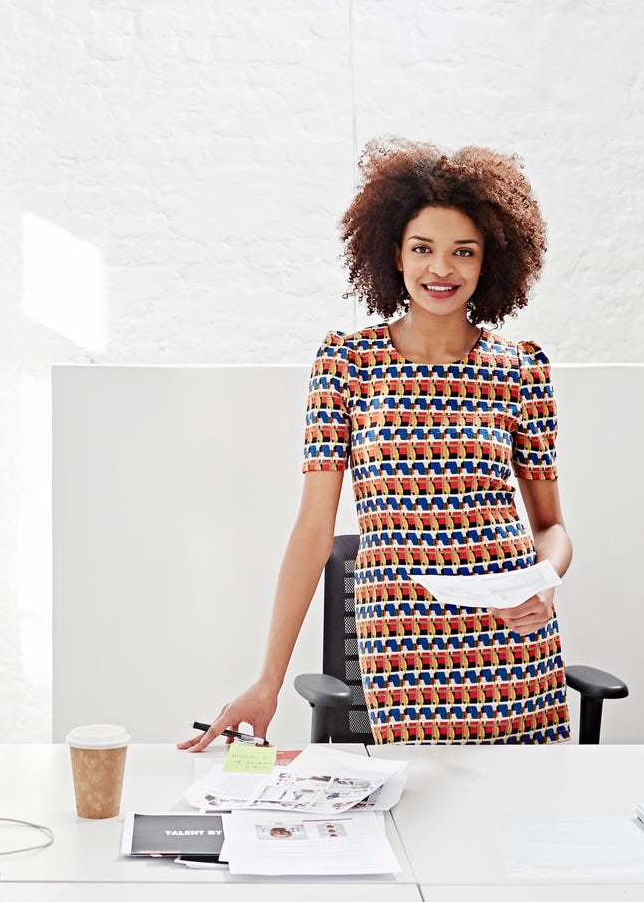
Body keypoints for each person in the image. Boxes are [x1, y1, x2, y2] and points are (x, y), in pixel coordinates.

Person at [180, 137, 574, 749]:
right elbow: (313, 531)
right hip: (401, 641)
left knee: (519, 822)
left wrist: (544, 580)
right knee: (410, 817)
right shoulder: (346, 363)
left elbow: (552, 526)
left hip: (513, 644)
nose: (440, 269)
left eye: (462, 253)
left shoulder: (522, 367)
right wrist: (268, 681)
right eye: (423, 249)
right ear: (394, 253)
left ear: (487, 262)